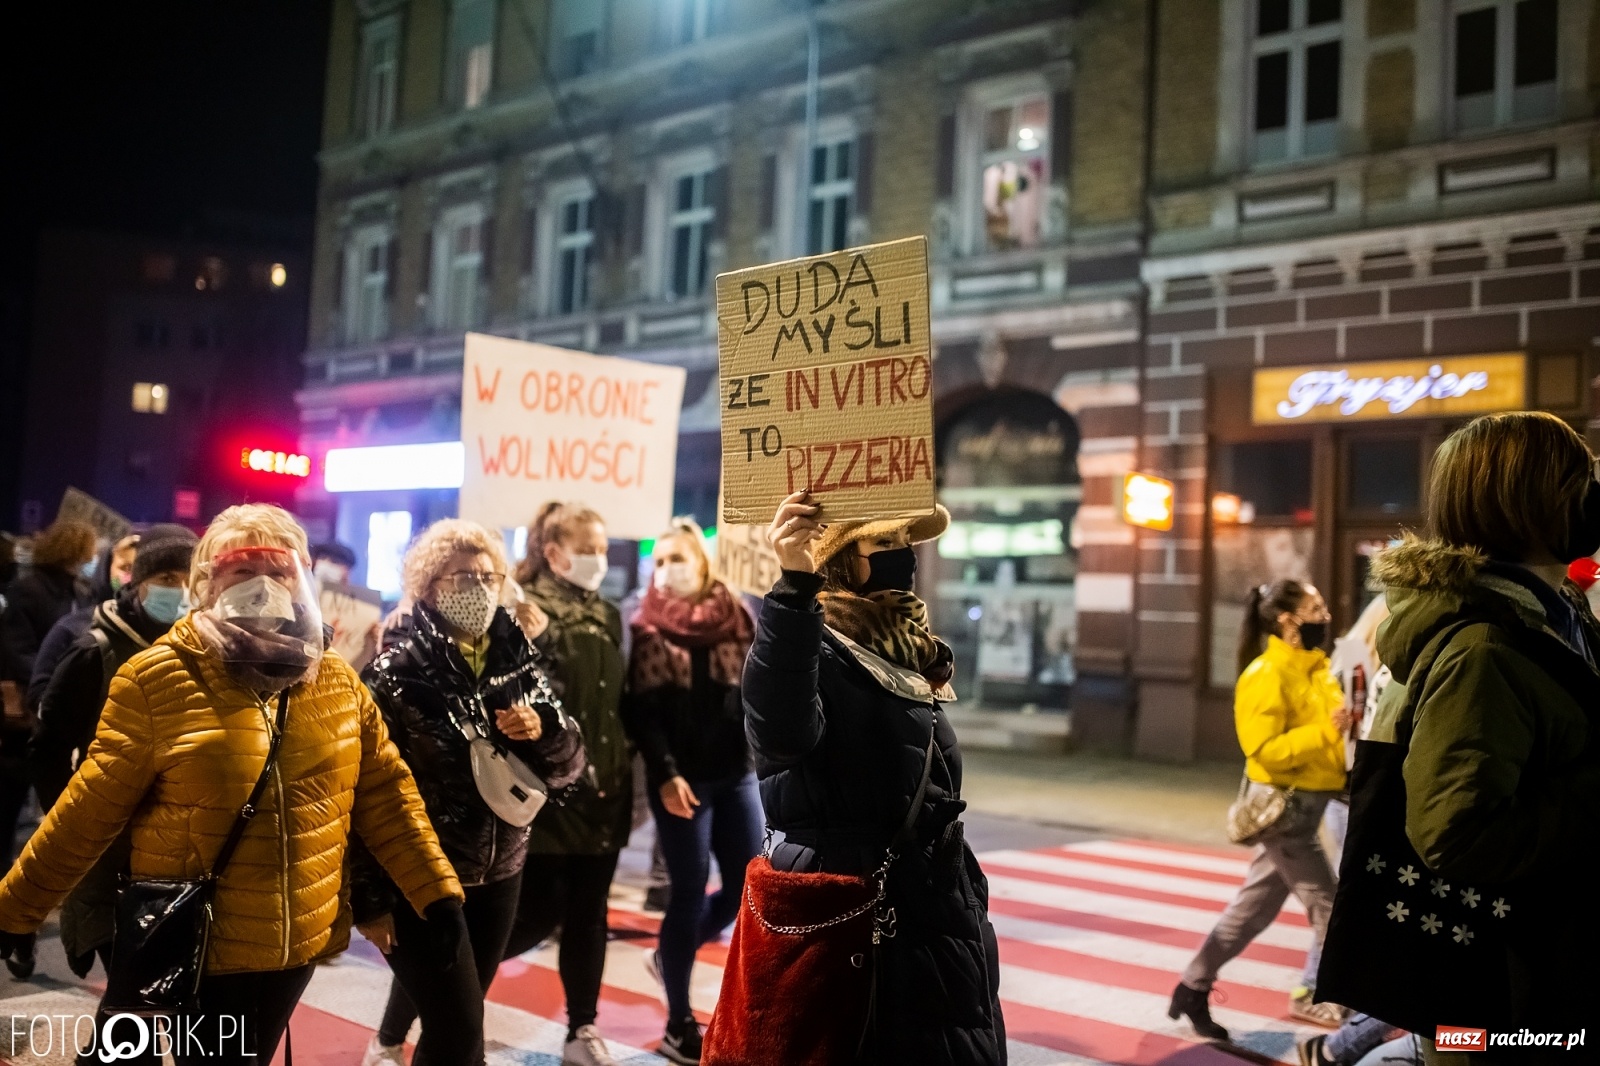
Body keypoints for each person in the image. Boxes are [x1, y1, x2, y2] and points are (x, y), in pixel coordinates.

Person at [0, 504, 465, 1066]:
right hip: (196, 940)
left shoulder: (334, 678)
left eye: (281, 570)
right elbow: (86, 811)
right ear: (207, 583)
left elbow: (387, 794)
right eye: (243, 571)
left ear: (303, 579)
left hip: (292, 942)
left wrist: (435, 893)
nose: (265, 587)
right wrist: (17, 911)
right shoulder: (157, 678)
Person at [737, 491, 1005, 1065]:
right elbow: (780, 734)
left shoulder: (905, 653)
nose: (902, 556)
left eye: (905, 541)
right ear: (838, 558)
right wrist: (792, 587)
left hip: (930, 910)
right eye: (883, 541)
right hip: (863, 916)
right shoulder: (813, 644)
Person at [1365, 412, 1600, 1063]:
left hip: (1548, 963)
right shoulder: (1486, 648)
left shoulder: (1557, 615)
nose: (1594, 493)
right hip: (1507, 990)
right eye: (1579, 477)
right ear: (1525, 504)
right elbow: (1455, 832)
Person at [354, 519, 586, 1066]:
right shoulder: (397, 671)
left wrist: (545, 732)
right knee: (461, 1034)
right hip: (423, 874)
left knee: (456, 1025)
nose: (478, 588)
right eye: (462, 577)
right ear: (430, 586)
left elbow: (570, 769)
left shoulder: (519, 662)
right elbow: (363, 790)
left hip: (501, 872)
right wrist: (367, 897)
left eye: (488, 576)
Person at [1170, 578, 1346, 1039]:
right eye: (1316, 607)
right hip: (1286, 816)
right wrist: (1328, 731)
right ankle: (1339, 1007)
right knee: (1331, 911)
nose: (1325, 615)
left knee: (1254, 911)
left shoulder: (1316, 669)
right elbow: (1262, 749)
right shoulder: (1265, 674)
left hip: (1309, 805)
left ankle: (1192, 986)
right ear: (1288, 620)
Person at [24, 524, 196, 986]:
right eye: (165, 577)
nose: (178, 591)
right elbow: (48, 744)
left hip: (176, 850)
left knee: (142, 990)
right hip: (105, 849)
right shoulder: (92, 649)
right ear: (136, 582)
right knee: (133, 982)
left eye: (188, 578)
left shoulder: (205, 652)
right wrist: (69, 814)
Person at [621, 518, 759, 1063]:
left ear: (702, 563)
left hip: (735, 772)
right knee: (687, 889)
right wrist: (666, 773)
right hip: (680, 778)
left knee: (746, 882)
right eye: (659, 562)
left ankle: (670, 953)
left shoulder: (739, 616)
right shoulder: (647, 627)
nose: (667, 571)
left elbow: (755, 693)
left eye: (677, 559)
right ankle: (679, 1021)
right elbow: (643, 713)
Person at [502, 501, 631, 1066]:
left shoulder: (608, 614)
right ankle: (438, 1002)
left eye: (603, 550)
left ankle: (583, 1028)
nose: (599, 561)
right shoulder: (527, 612)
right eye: (589, 550)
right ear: (554, 553)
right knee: (527, 914)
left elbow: (614, 703)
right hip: (548, 789)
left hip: (605, 791)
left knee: (588, 913)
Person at [0, 518, 96, 871]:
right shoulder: (31, 589)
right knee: (10, 802)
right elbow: (17, 649)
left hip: (56, 711)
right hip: (25, 713)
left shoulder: (79, 591)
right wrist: (54, 680)